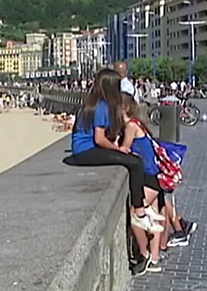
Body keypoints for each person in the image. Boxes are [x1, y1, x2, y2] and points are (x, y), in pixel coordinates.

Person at [64, 68, 159, 233]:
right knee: (135, 163)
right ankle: (139, 210)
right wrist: (118, 149)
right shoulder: (102, 107)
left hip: (82, 150)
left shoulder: (93, 104)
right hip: (85, 152)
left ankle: (141, 205)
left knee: (133, 160)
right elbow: (99, 139)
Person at [120, 94, 166, 275]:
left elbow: (124, 149)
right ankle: (154, 259)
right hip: (154, 178)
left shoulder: (131, 126)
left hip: (147, 178)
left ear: (123, 108)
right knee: (151, 220)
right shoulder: (138, 124)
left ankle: (144, 254)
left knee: (136, 215)